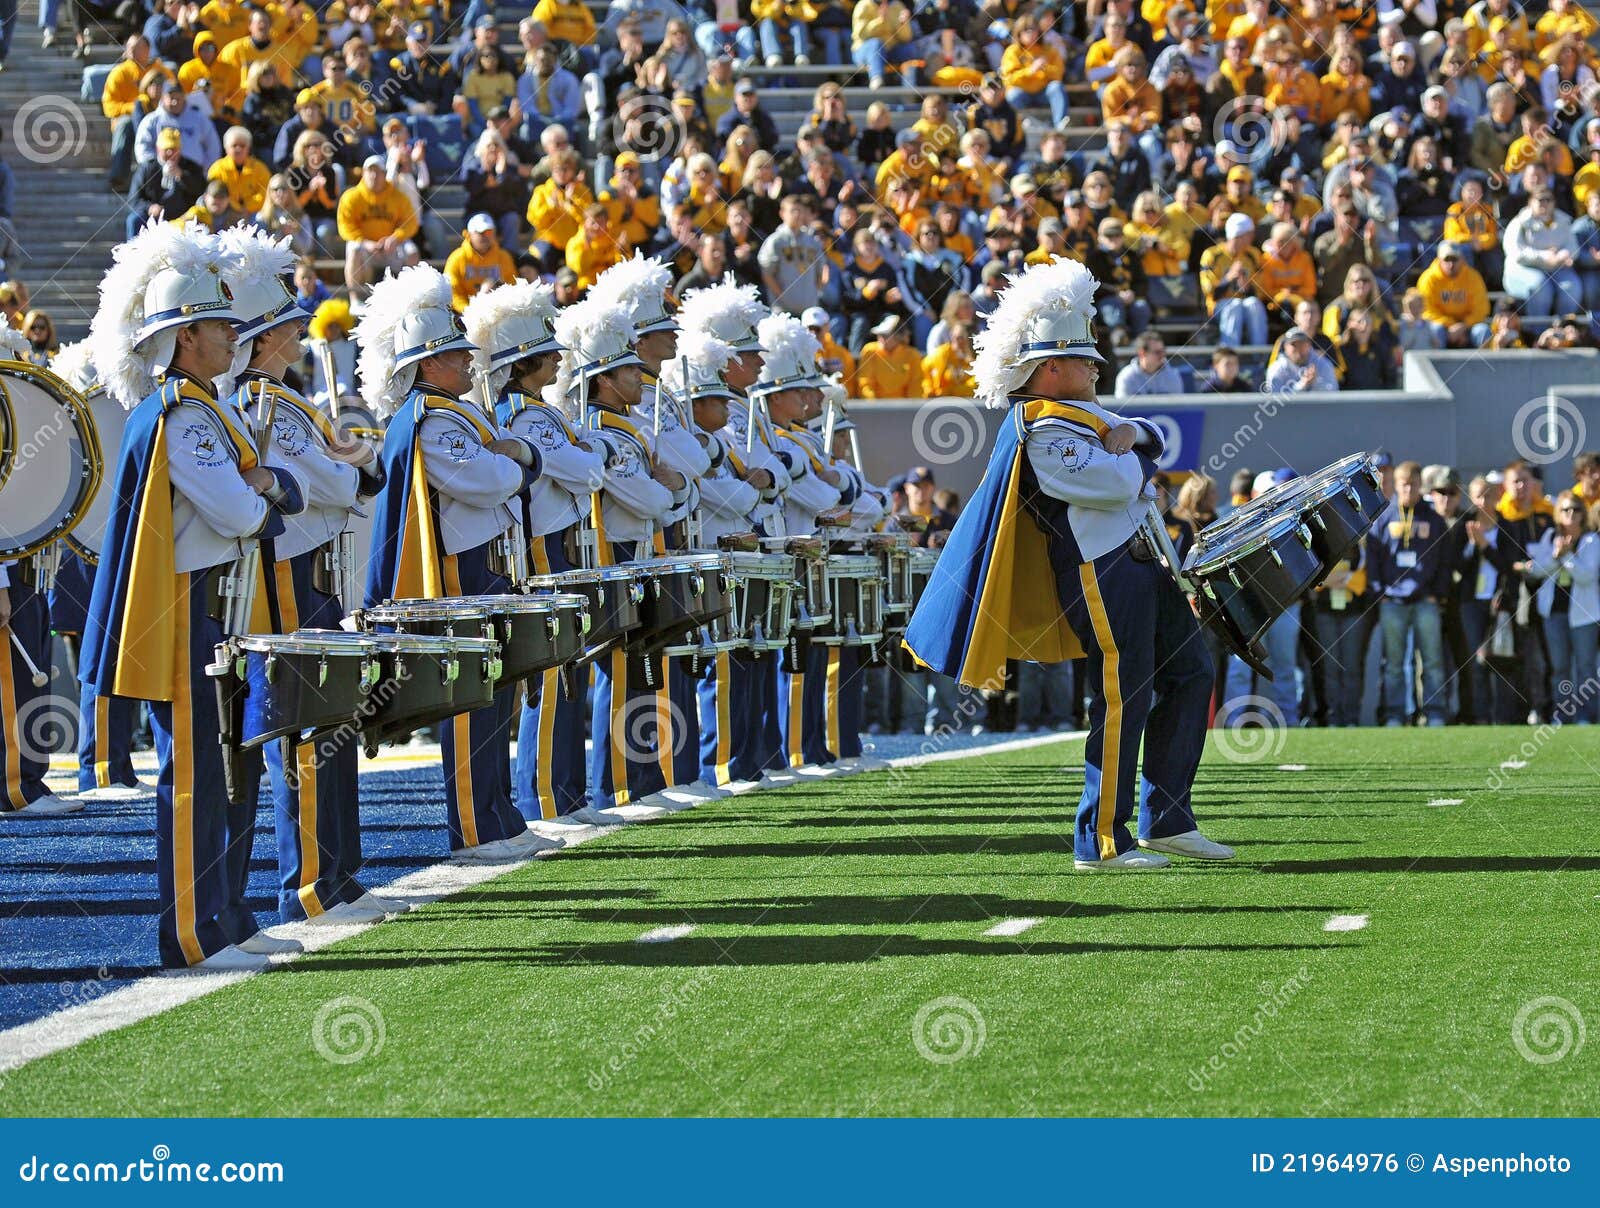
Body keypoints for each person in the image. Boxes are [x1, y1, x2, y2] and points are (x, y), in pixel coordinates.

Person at [904, 257, 1227, 870]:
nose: (1095, 368)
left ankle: (1168, 817)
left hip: (1139, 564)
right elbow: (1113, 480)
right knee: (1122, 694)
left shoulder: (1077, 415)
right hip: (1099, 570)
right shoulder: (1040, 427)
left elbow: (1145, 438)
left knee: (1191, 673)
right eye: (1084, 360)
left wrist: (1131, 444)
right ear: (1052, 367)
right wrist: (1131, 455)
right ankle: (1100, 838)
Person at [83, 221, 307, 969]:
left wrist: (268, 487)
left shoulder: (200, 406)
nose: (232, 334)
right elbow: (241, 511)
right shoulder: (182, 412)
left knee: (227, 763)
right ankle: (191, 935)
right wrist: (271, 490)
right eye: (217, 323)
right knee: (195, 774)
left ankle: (228, 918)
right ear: (184, 338)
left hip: (217, 600)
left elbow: (259, 498)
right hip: (185, 607)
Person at [219, 226, 402, 925]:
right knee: (306, 729)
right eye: (289, 326)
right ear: (265, 339)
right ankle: (309, 886)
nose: (300, 333)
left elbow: (344, 474)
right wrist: (349, 464)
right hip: (291, 577)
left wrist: (348, 464)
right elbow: (327, 482)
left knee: (329, 726)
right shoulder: (263, 403)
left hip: (316, 573)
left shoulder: (288, 402)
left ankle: (334, 876)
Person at [359, 264, 562, 861]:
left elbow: (503, 472)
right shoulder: (430, 419)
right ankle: (474, 826)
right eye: (454, 356)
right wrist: (520, 458)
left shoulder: (454, 412)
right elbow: (486, 479)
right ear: (426, 365)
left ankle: (498, 813)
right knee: (472, 698)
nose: (469, 364)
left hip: (484, 565)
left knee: (493, 694)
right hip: (457, 572)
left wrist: (514, 457)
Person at [464, 279, 608, 826]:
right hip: (546, 549)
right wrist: (580, 456)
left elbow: (586, 466)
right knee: (550, 673)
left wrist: (580, 457)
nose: (555, 360)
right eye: (545, 353)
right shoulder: (525, 417)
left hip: (562, 546)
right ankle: (546, 797)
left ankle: (561, 793)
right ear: (525, 362)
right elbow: (587, 469)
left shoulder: (541, 414)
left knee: (565, 669)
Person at [1366, 460, 1454, 726]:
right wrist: (1380, 591)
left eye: (1414, 484)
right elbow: (1373, 557)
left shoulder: (1433, 519)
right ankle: (1395, 714)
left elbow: (1444, 559)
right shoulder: (1383, 517)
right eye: (1404, 484)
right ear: (1396, 485)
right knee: (1394, 664)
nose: (1408, 489)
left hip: (1425, 600)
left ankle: (1434, 713)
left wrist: (1436, 594)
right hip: (1393, 601)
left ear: (1420, 486)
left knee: (1432, 661)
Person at [1525, 492, 1599, 723]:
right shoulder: (1550, 536)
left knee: (1586, 669)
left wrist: (1566, 557)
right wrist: (1556, 556)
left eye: (1576, 510)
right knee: (1560, 669)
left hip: (1584, 615)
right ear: (1559, 513)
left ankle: (1586, 716)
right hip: (1554, 612)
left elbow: (1587, 576)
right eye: (1566, 509)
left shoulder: (1591, 540)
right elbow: (1536, 570)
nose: (1570, 514)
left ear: (1582, 514)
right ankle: (1563, 716)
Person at [337, 155, 421, 299]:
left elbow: (411, 222)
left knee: (412, 252)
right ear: (363, 173)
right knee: (353, 248)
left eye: (379, 172)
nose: (374, 176)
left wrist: (396, 238)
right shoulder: (351, 197)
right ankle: (355, 300)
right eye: (370, 171)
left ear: (385, 174)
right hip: (366, 248)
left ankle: (412, 299)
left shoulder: (398, 196)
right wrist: (365, 242)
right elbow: (345, 226)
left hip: (391, 247)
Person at [1114, 330, 1184, 396]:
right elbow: (1122, 407)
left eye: (1163, 351)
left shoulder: (1173, 376)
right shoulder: (1126, 376)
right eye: (1157, 352)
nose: (1162, 355)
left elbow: (1177, 407)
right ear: (1142, 353)